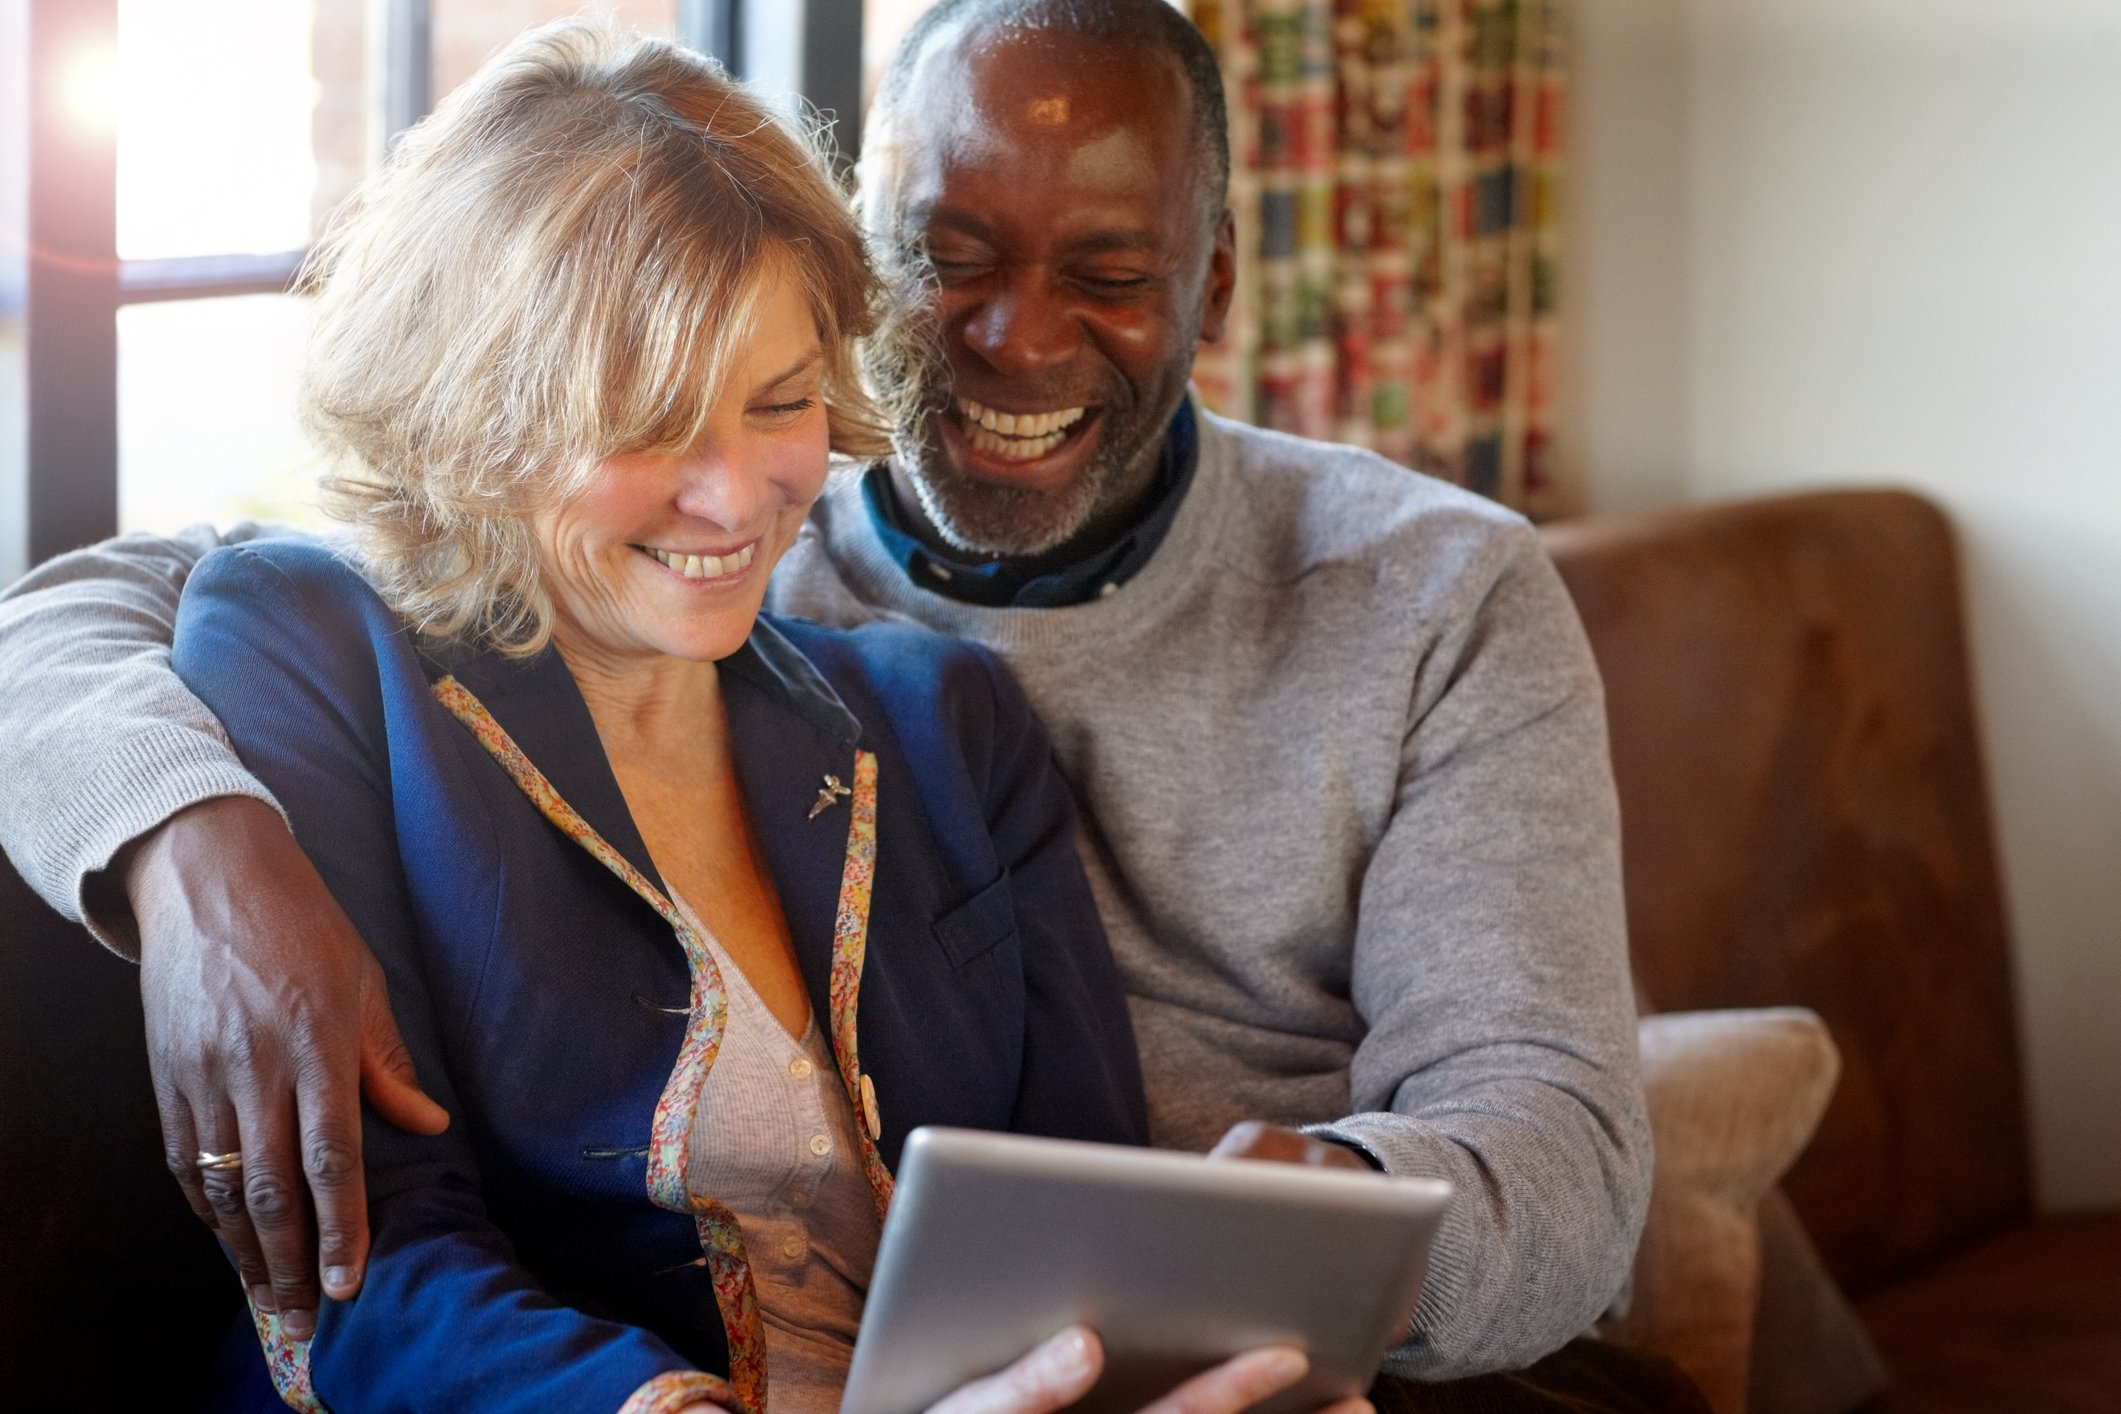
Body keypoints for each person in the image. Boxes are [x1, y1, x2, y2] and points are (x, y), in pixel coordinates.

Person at [0, 1, 1682, 1408]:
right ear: (479, 410)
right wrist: (185, 840)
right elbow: (360, 1264)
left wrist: (1239, 1288)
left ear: (1214, 285)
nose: (735, 494)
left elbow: (1117, 1208)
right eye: (651, 418)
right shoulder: (318, 633)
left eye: (784, 399)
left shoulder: (958, 706)